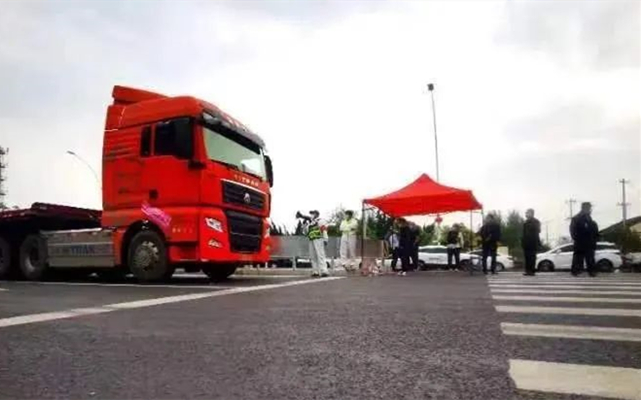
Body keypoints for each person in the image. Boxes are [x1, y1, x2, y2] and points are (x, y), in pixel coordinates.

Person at [570, 202, 599, 277]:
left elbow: (593, 231)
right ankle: (576, 271)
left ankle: (591, 271)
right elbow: (572, 230)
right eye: (589, 208)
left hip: (589, 242)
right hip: (580, 242)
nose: (590, 210)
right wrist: (577, 239)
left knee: (590, 257)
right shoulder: (576, 218)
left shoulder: (589, 218)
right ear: (584, 208)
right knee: (578, 257)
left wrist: (594, 239)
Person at [306, 210, 329, 278]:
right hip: (311, 240)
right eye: (311, 214)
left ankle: (324, 271)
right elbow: (306, 232)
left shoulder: (320, 220)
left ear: (316, 214)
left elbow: (324, 229)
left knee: (320, 255)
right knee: (313, 256)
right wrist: (304, 224)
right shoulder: (310, 223)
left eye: (312, 213)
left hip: (319, 238)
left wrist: (325, 238)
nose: (311, 215)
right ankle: (315, 271)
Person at [522, 209, 541, 276]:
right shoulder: (525, 222)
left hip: (533, 241)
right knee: (527, 257)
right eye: (526, 213)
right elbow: (524, 233)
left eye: (527, 213)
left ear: (531, 213)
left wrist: (538, 243)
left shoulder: (536, 221)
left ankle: (532, 271)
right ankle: (527, 270)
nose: (526, 214)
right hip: (526, 242)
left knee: (532, 257)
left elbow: (538, 231)